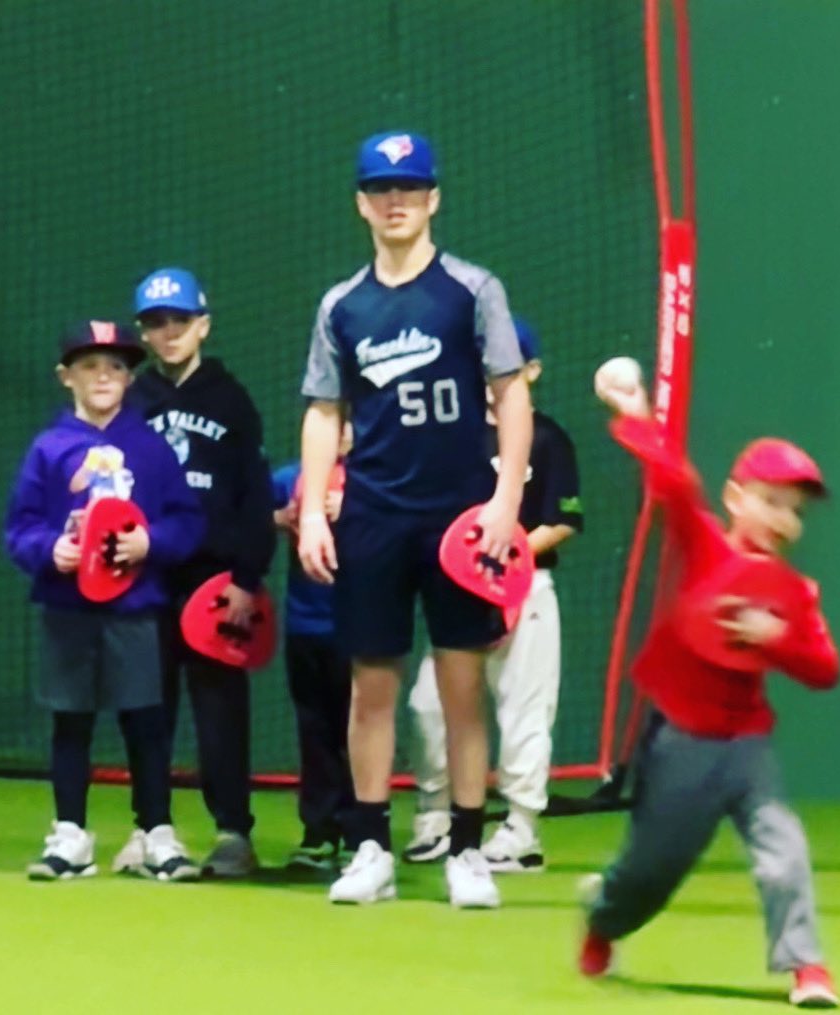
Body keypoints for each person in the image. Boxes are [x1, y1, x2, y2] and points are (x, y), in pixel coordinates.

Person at [297, 131, 533, 908]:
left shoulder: (472, 290)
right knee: (371, 687)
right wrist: (312, 512)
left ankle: (466, 849)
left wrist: (504, 502)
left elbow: (511, 393)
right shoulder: (341, 305)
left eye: (408, 188)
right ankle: (370, 846)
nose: (394, 201)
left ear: (433, 198)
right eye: (379, 189)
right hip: (371, 516)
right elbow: (324, 410)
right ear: (361, 203)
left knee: (461, 686)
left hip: (459, 518)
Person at [579, 369, 840, 1009]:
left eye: (795, 511)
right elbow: (674, 482)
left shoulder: (795, 593)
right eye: (771, 501)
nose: (784, 519)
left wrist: (775, 640)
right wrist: (637, 415)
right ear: (735, 498)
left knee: (784, 851)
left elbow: (824, 669)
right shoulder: (701, 546)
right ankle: (604, 919)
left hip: (748, 748)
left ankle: (807, 968)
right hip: (682, 744)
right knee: (650, 872)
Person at [4, 321, 204, 881]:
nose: (103, 377)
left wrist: (150, 543)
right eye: (89, 366)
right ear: (65, 377)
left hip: (135, 608)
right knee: (71, 722)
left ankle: (156, 833)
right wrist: (51, 550)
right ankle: (71, 835)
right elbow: (19, 528)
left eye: (115, 367)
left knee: (145, 722)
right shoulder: (48, 449)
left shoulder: (151, 449)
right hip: (68, 609)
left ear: (130, 379)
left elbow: (186, 520)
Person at [405, 317, 583, 872]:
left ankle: (521, 829)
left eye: (508, 363)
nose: (491, 373)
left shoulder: (547, 438)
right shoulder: (450, 439)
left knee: (525, 708)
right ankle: (435, 816)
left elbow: (564, 520)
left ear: (533, 370)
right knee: (428, 704)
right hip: (457, 592)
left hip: (526, 591)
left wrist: (506, 557)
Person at [118, 267, 277, 878]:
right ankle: (150, 828)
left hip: (215, 584)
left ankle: (233, 831)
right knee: (146, 708)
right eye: (156, 323)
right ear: (143, 333)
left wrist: (246, 578)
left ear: (203, 325)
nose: (169, 333)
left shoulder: (231, 400)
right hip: (146, 578)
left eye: (180, 321)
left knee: (220, 713)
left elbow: (253, 495)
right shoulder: (133, 401)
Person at [271, 424, 355, 871]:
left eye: (347, 424)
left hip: (361, 628)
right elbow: (247, 514)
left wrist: (356, 510)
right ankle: (319, 833)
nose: (339, 434)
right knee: (315, 730)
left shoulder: (374, 482)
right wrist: (282, 517)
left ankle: (364, 834)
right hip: (304, 626)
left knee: (359, 730)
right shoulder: (290, 478)